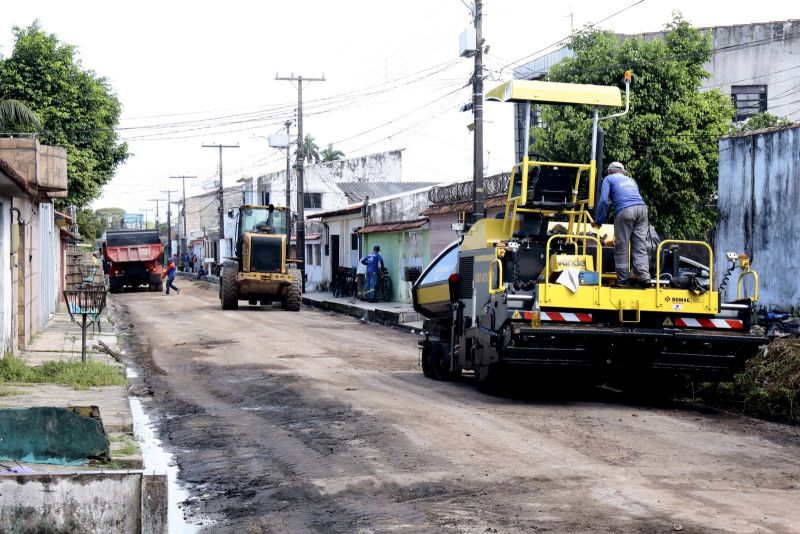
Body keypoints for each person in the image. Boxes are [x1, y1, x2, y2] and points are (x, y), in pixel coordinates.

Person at [593, 161, 650, 287]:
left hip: (625, 211)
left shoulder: (608, 179)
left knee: (621, 247)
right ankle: (644, 276)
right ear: (623, 172)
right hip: (642, 210)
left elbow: (604, 201)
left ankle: (623, 280)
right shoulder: (631, 180)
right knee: (640, 245)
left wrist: (599, 221)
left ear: (609, 171)